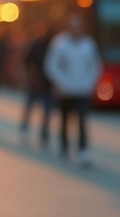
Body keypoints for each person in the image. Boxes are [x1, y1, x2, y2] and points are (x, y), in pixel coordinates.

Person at [45, 12, 102, 167]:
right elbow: (52, 66)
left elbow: (95, 66)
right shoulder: (60, 44)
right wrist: (61, 82)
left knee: (82, 120)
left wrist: (90, 83)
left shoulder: (88, 44)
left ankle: (83, 151)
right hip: (65, 91)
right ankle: (64, 147)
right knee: (64, 120)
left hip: (83, 90)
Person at [20, 19, 56, 148]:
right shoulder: (36, 44)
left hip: (47, 83)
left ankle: (44, 135)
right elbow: (27, 61)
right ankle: (24, 129)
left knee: (46, 111)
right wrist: (32, 76)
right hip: (36, 82)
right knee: (30, 108)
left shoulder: (54, 46)